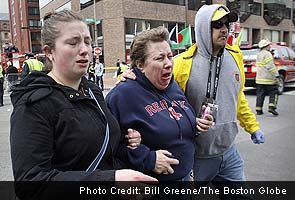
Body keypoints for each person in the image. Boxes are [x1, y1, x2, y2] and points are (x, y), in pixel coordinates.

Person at [120, 4, 265, 199]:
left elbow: (237, 98)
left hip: (228, 151)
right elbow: (159, 96)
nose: (224, 29)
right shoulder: (181, 63)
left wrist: (253, 127)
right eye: (217, 24)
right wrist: (131, 76)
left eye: (227, 24)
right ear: (205, 27)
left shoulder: (236, 57)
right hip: (197, 156)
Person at [10, 9, 156, 200]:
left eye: (87, 42)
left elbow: (105, 142)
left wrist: (128, 139)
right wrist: (111, 181)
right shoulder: (33, 105)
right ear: (49, 52)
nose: (84, 50)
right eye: (73, 42)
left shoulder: (93, 91)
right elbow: (30, 184)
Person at [106, 26, 213, 182]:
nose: (169, 63)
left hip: (184, 180)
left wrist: (195, 123)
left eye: (170, 56)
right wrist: (148, 159)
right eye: (159, 58)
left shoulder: (172, 85)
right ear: (140, 64)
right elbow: (109, 147)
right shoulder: (122, 95)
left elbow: (172, 120)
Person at [255, 39, 279, 116]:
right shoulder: (267, 54)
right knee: (274, 92)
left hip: (259, 79)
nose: (270, 46)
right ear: (266, 46)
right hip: (268, 79)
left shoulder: (259, 54)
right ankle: (272, 107)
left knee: (260, 94)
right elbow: (270, 66)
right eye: (269, 45)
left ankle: (259, 110)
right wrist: (276, 75)